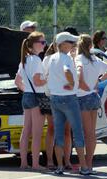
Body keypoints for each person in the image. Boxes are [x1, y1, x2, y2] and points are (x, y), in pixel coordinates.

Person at [47, 32, 89, 175]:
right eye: (70, 43)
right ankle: (84, 167)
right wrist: (71, 84)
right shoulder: (67, 58)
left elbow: (44, 75)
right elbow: (67, 71)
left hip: (54, 98)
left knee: (58, 133)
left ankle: (59, 167)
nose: (73, 45)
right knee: (77, 132)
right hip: (69, 98)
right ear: (63, 44)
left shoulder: (50, 58)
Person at [75, 34, 107, 173]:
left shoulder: (77, 59)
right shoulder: (95, 59)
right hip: (93, 96)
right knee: (91, 133)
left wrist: (85, 85)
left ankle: (84, 165)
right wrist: (99, 80)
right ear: (91, 45)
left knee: (82, 133)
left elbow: (78, 77)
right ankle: (89, 163)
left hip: (82, 97)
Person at [15, 31, 47, 170]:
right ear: (34, 45)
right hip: (36, 97)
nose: (44, 45)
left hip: (27, 96)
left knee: (26, 130)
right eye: (42, 42)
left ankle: (24, 163)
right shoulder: (37, 60)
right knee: (37, 132)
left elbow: (17, 81)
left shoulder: (24, 60)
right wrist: (49, 79)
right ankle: (35, 164)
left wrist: (27, 89)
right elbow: (38, 81)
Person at [42, 40, 73, 170]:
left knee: (66, 130)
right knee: (52, 129)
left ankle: (67, 161)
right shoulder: (48, 59)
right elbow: (43, 77)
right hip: (51, 96)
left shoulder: (69, 58)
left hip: (66, 95)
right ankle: (50, 160)